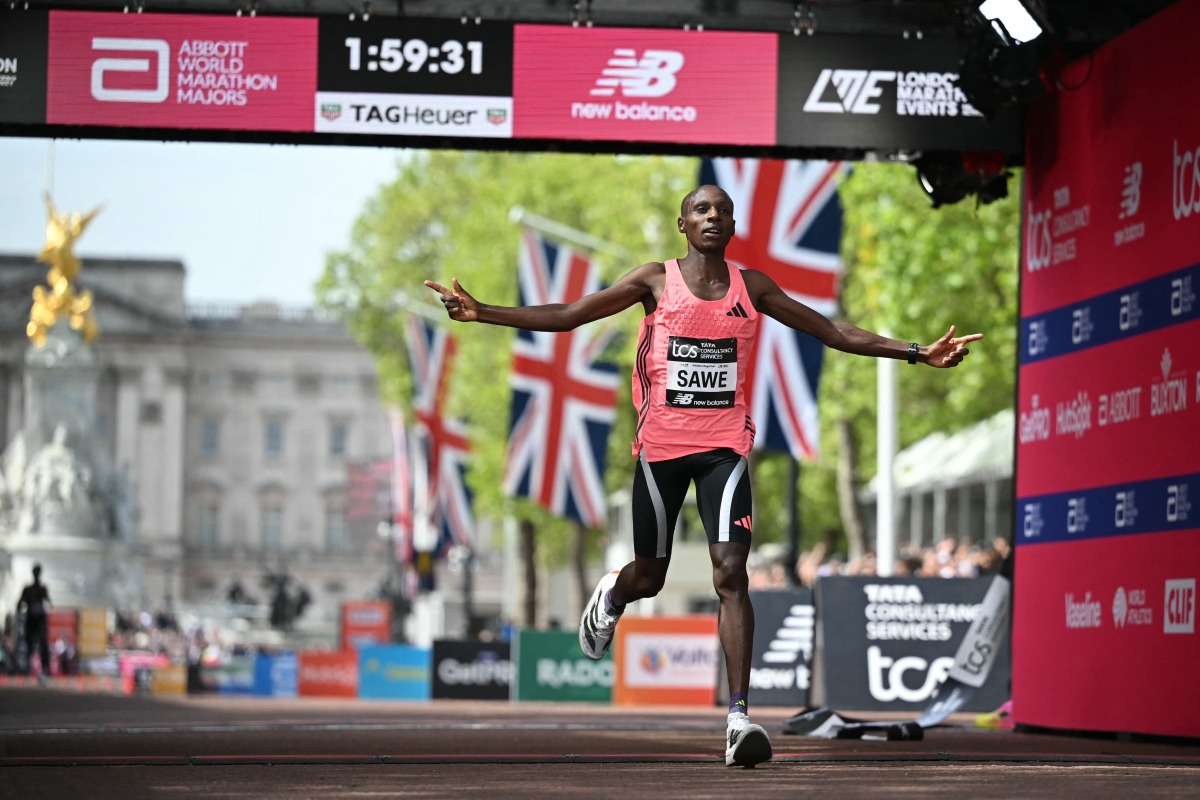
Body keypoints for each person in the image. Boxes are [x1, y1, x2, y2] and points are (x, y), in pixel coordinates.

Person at [425, 184, 982, 767]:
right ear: (682, 225)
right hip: (659, 451)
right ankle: (613, 594)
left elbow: (832, 332)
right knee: (650, 577)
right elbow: (569, 317)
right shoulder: (652, 282)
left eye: (721, 211)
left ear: (732, 226)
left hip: (725, 450)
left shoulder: (753, 287)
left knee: (731, 573)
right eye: (701, 210)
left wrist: (918, 352)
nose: (712, 216)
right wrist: (482, 311)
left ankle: (739, 720)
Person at [17, 563, 52, 679]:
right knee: (29, 645)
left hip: (39, 620)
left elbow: (49, 603)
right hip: (31, 620)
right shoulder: (27, 589)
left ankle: (45, 668)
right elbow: (19, 604)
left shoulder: (42, 589)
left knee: (43, 644)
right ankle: (27, 667)